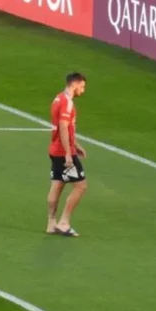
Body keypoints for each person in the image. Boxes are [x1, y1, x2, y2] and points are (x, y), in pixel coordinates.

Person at [46, 72, 88, 237]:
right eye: (82, 87)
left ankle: (51, 223)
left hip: (55, 150)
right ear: (75, 84)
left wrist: (76, 144)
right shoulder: (67, 103)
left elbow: (63, 127)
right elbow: (64, 127)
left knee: (57, 184)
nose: (82, 91)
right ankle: (64, 222)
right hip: (64, 152)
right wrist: (69, 154)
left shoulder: (57, 98)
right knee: (81, 186)